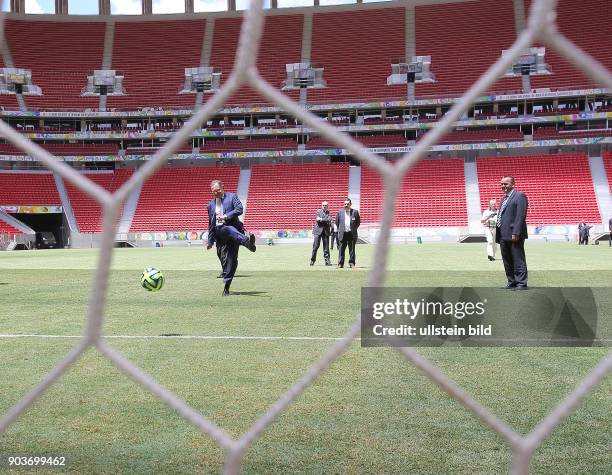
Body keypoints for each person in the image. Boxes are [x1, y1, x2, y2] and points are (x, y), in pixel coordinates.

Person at [206, 180, 256, 296]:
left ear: (223, 188)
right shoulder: (211, 205)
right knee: (228, 229)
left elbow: (239, 209)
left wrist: (225, 216)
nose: (216, 193)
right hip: (221, 233)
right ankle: (248, 243)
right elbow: (211, 224)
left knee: (232, 261)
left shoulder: (232, 197)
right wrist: (210, 241)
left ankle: (226, 288)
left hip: (235, 235)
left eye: (218, 190)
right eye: (213, 192)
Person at [495, 176, 528, 290]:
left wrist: (516, 232)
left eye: (506, 184)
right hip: (503, 234)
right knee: (507, 260)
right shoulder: (503, 199)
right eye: (502, 184)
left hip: (514, 234)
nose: (503, 186)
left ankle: (521, 283)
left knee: (518, 259)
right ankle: (511, 281)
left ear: (513, 184)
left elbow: (520, 216)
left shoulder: (520, 196)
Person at [335, 198, 360, 269]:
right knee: (341, 249)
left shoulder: (355, 212)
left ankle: (351, 263)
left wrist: (353, 229)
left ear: (350, 204)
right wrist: (341, 229)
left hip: (351, 233)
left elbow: (358, 223)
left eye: (347, 204)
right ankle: (340, 263)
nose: (346, 205)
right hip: (343, 233)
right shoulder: (340, 212)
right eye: (345, 204)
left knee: (352, 249)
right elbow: (337, 222)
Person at [310, 201, 332, 266]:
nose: (324, 206)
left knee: (326, 248)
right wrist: (325, 219)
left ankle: (327, 261)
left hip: (326, 232)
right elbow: (318, 220)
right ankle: (312, 260)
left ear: (327, 206)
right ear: (321, 205)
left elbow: (329, 219)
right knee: (315, 246)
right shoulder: (318, 211)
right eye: (323, 205)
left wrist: (322, 219)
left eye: (326, 205)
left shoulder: (329, 212)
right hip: (317, 232)